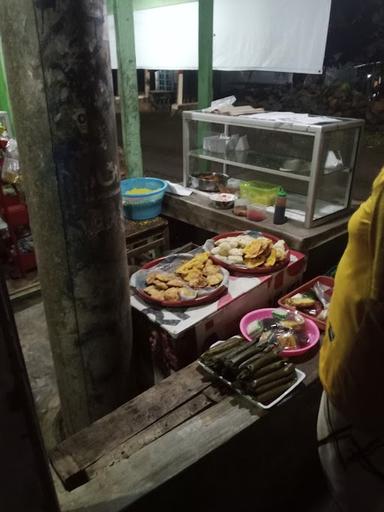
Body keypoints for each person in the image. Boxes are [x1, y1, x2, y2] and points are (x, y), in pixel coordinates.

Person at [318, 167, 384, 511]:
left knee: (354, 497)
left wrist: (351, 397)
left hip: (360, 401)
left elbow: (381, 310)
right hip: (360, 397)